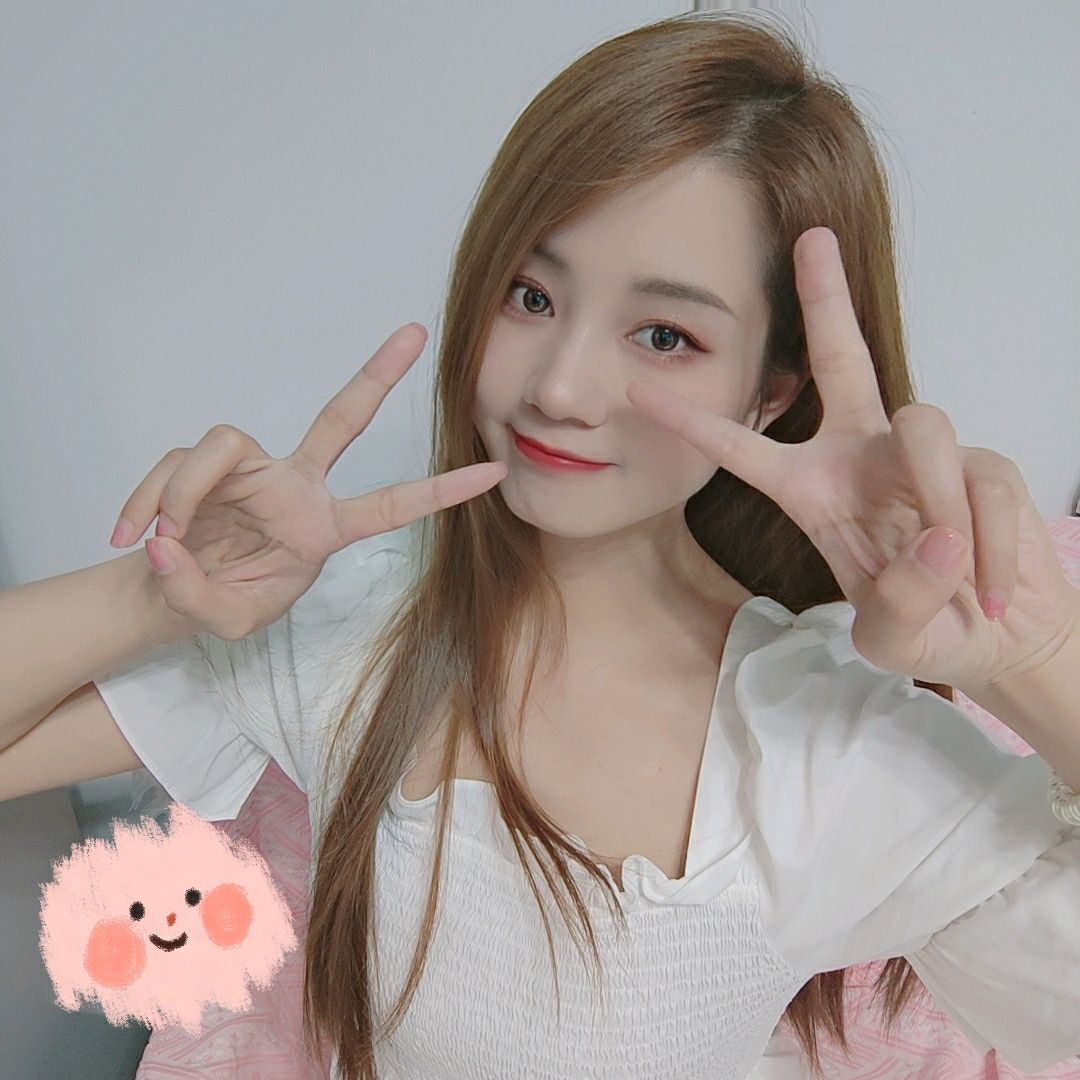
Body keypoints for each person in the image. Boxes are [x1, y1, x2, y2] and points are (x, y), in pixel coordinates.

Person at [3, 10, 1079, 1080]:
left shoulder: (822, 748)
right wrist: (157, 597)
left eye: (664, 335)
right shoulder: (359, 624)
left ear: (770, 394)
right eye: (532, 295)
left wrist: (1040, 659)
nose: (559, 388)